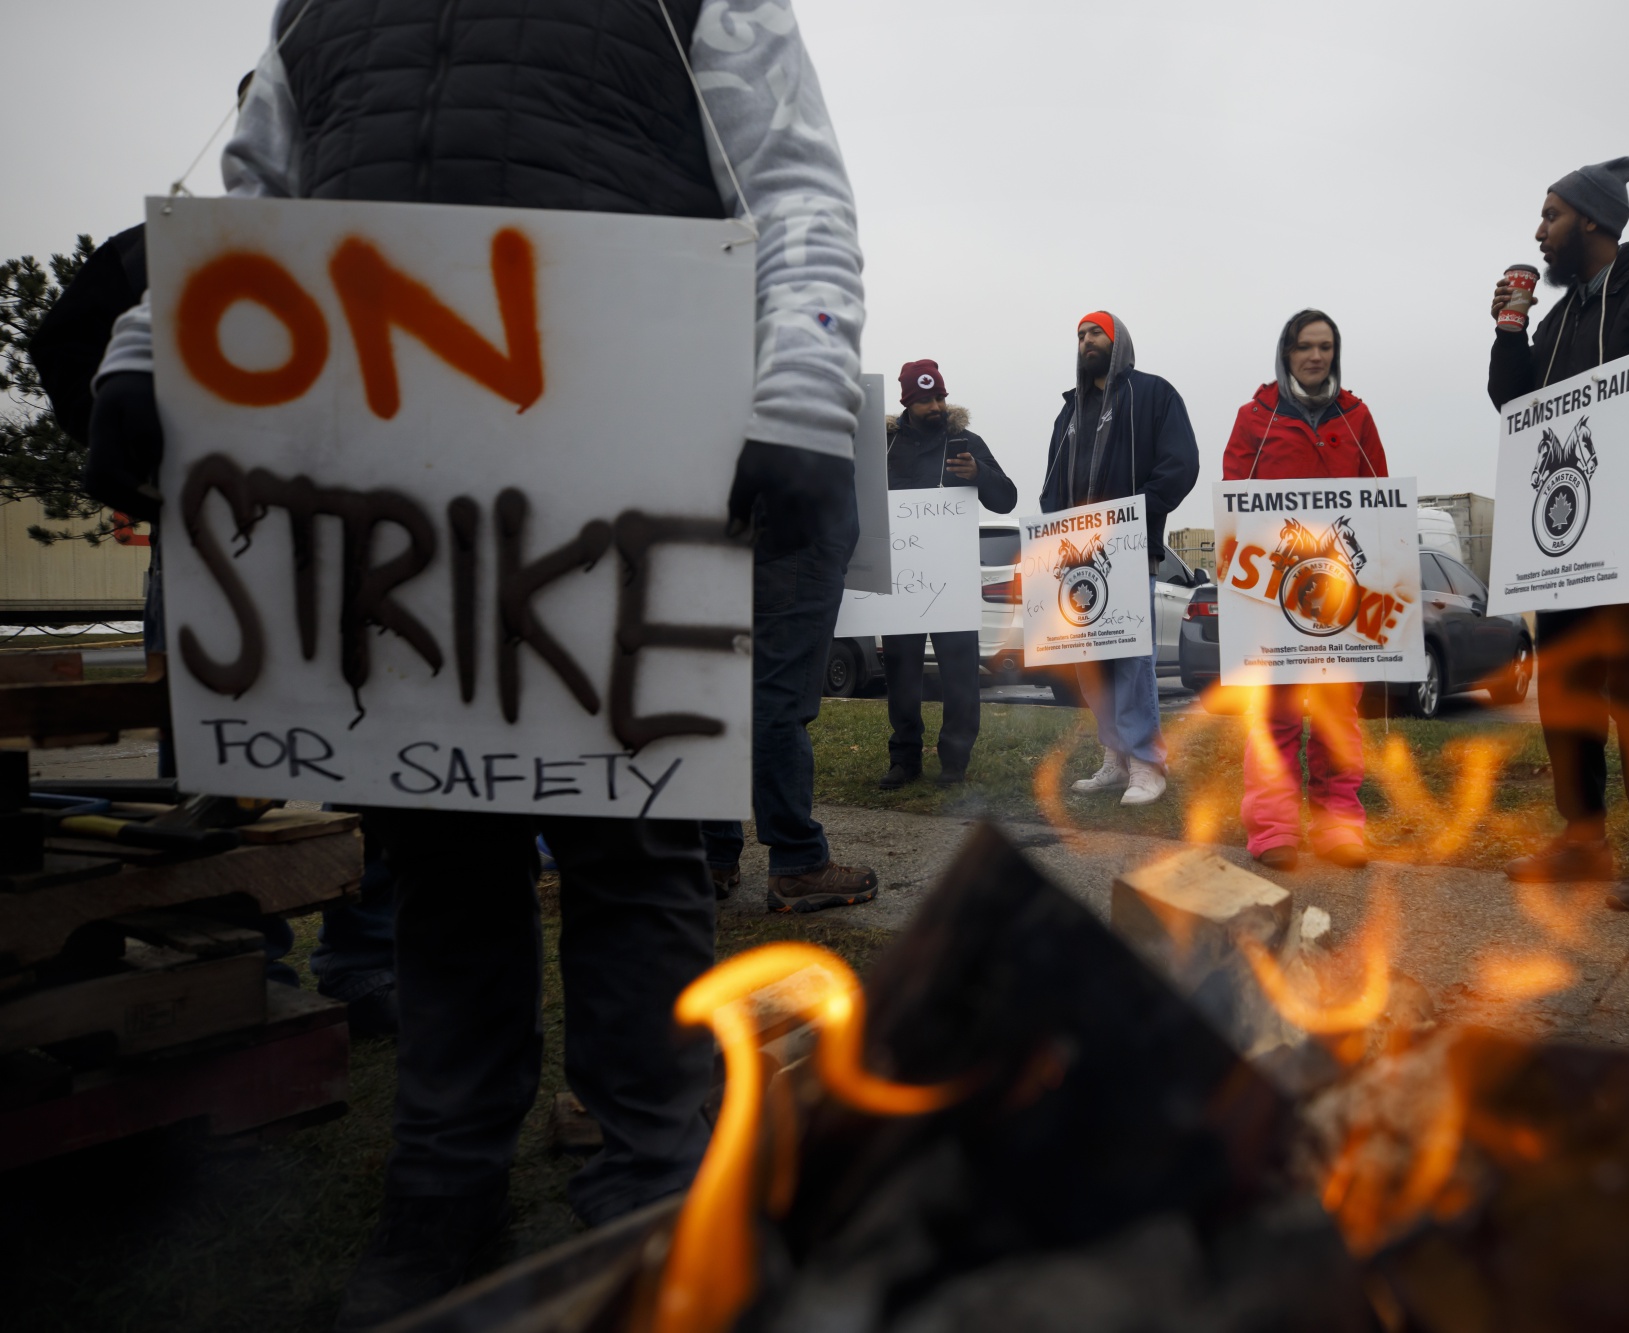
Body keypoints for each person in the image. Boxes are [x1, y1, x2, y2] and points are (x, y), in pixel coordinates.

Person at [87, 2, 867, 1324]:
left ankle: (654, 1176)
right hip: (387, 476)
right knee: (440, 846)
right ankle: (444, 1179)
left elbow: (791, 182)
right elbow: (250, 192)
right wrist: (154, 342)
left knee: (633, 851)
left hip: (620, 470)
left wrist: (801, 383)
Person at [1486, 156, 1629, 912]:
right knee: (1569, 691)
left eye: (1549, 216)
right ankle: (1582, 840)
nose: (1539, 232)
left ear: (1591, 218)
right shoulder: (1558, 321)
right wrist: (1510, 329)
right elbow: (1517, 410)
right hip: (1564, 543)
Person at [1221, 310, 1386, 871]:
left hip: (1342, 594)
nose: (1316, 357)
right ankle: (1273, 829)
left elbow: (1377, 497)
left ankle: (1340, 824)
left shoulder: (1358, 416)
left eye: (1325, 348)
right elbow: (1234, 503)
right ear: (1285, 352)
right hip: (1274, 592)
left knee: (1340, 714)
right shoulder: (1254, 418)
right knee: (1276, 714)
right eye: (1304, 347)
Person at [1040, 312, 1199, 806]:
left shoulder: (1153, 395)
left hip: (1129, 554)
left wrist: (1134, 516)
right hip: (1077, 561)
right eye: (1081, 335)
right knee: (1090, 663)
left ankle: (1148, 762)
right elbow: (1050, 485)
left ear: (1118, 341)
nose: (1087, 341)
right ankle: (1115, 756)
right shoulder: (1070, 413)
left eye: (1096, 333)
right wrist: (1056, 530)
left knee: (1132, 660)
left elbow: (1180, 465)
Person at [877, 359, 1016, 789]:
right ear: (906, 401)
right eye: (924, 400)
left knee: (959, 673)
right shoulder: (884, 446)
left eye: (939, 396)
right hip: (902, 582)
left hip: (951, 583)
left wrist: (980, 474)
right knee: (901, 672)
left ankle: (954, 761)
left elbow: (1007, 498)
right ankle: (905, 758)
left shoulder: (965, 441)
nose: (935, 405)